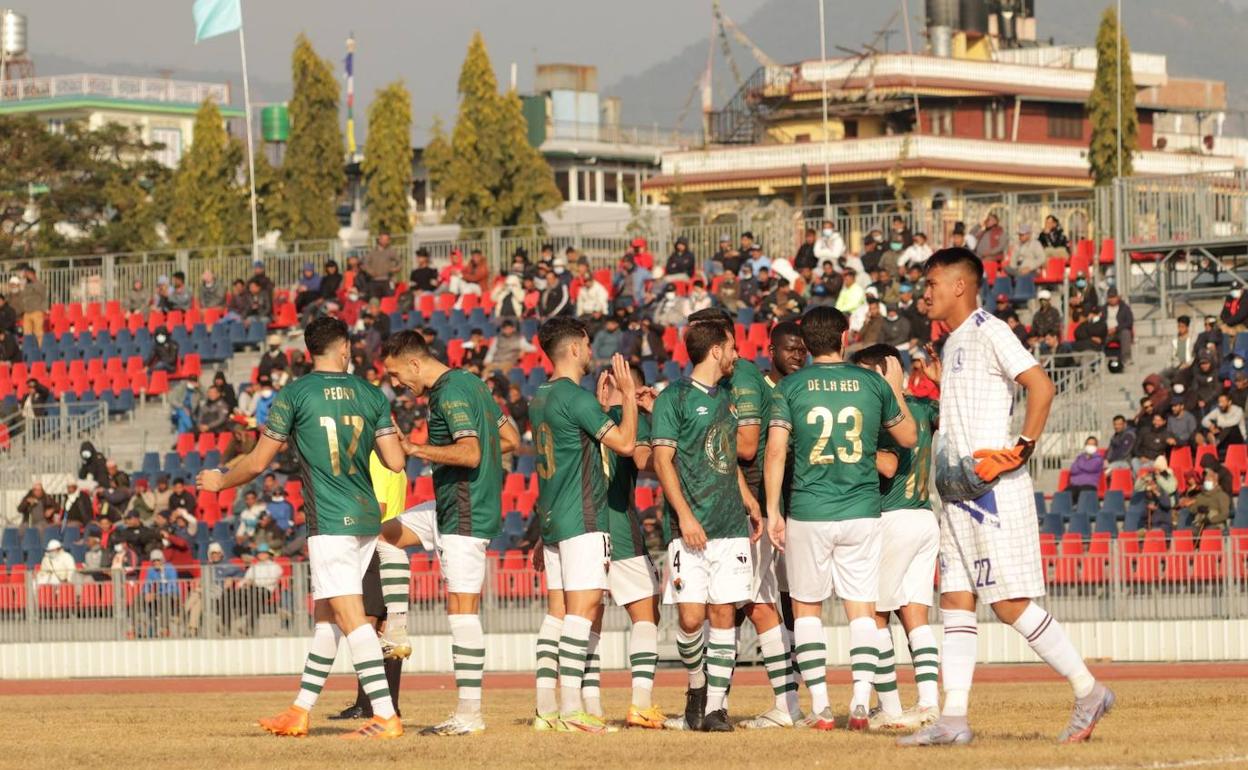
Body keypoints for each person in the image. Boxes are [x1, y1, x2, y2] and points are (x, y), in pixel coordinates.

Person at [899, 247, 1112, 747]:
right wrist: (939, 385)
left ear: (959, 286)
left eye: (931, 283)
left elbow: (1039, 385)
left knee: (1010, 603)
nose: (923, 293)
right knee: (954, 601)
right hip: (956, 493)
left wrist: (1021, 448)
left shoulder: (989, 328)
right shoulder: (951, 344)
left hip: (991, 492)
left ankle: (1088, 689)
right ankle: (953, 719)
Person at [196, 316, 408, 740]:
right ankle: (300, 709)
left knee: (350, 618)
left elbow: (257, 462)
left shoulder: (293, 394)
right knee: (327, 618)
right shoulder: (370, 393)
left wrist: (220, 479)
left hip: (329, 519)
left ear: (309, 351)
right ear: (344, 348)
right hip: (367, 515)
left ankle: (386, 715)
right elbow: (397, 461)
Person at [764, 307, 916, 731]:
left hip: (809, 510)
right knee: (862, 610)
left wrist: (774, 510)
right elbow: (908, 437)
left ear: (807, 344)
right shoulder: (870, 382)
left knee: (807, 609)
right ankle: (862, 705)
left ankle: (821, 707)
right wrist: (895, 390)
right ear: (844, 338)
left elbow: (775, 452)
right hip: (861, 509)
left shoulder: (790, 387)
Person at [378, 330, 520, 736]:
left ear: (415, 363)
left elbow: (472, 452)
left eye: (395, 373)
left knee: (462, 612)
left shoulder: (447, 393)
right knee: (381, 534)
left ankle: (469, 714)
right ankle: (397, 626)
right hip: (448, 505)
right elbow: (506, 438)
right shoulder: (473, 383)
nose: (395, 383)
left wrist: (416, 449)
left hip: (465, 510)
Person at [678, 311, 800, 731]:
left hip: (745, 508)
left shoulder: (742, 378)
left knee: (747, 605)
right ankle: (737, 706)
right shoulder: (715, 381)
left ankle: (724, 706)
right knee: (753, 604)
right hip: (736, 507)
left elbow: (746, 447)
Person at [525, 319, 637, 734]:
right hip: (584, 518)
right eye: (588, 345)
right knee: (584, 610)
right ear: (574, 350)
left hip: (553, 518)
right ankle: (572, 708)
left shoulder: (541, 397)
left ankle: (545, 710)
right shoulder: (575, 398)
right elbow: (625, 444)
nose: (592, 351)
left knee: (556, 615)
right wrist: (627, 397)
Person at [650, 320, 760, 734]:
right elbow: (663, 462)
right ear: (716, 350)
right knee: (692, 618)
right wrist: (685, 516)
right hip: (689, 529)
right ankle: (696, 686)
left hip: (730, 524)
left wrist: (748, 499)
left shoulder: (729, 396)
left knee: (723, 614)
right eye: (732, 347)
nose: (736, 355)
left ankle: (716, 708)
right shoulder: (673, 398)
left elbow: (727, 456)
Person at [850, 343, 941, 731]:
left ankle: (889, 706)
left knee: (875, 615)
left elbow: (887, 466)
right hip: (923, 516)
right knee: (916, 615)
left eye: (862, 374)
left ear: (881, 372)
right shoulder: (923, 407)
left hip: (894, 517)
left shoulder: (884, 413)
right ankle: (929, 704)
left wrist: (850, 445)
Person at [594, 364, 666, 729]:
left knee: (584, 615)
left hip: (575, 528)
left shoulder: (574, 411)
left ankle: (583, 707)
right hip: (618, 526)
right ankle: (640, 702)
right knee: (646, 613)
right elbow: (641, 458)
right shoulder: (628, 416)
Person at [1067, 437, 1104, 504]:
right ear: (1085, 445)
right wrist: (1083, 464)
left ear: (1096, 447)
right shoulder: (1080, 457)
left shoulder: (1098, 459)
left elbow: (1090, 467)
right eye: (1089, 444)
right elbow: (1073, 469)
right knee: (1064, 495)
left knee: (1083, 494)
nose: (1090, 446)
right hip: (1075, 485)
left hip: (1089, 485)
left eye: (1093, 444)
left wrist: (1080, 464)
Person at [1103, 288, 1134, 364]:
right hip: (1106, 332)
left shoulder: (1125, 308)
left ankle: (1126, 358)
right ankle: (1098, 359)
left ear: (1117, 297)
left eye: (1113, 297)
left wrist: (1116, 329)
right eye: (1110, 297)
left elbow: (1129, 322)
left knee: (1126, 333)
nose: (1112, 299)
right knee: (1098, 335)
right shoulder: (1103, 309)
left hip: (1119, 331)